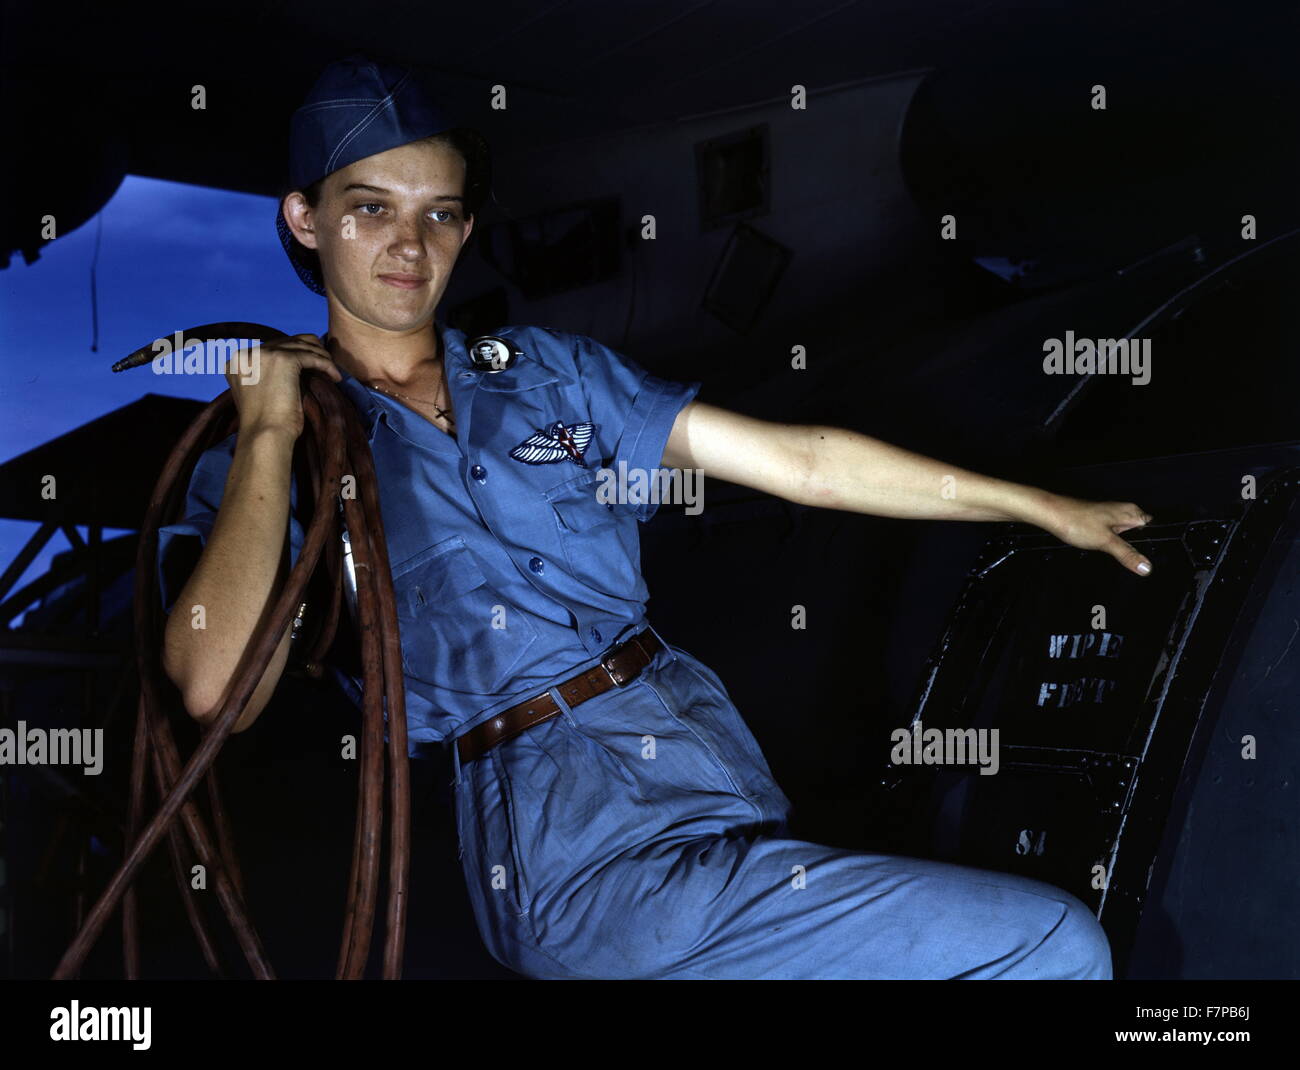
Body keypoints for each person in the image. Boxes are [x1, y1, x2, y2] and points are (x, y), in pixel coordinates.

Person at [159, 54, 1152, 979]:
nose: (410, 244)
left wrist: (1036, 504)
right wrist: (267, 432)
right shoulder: (279, 454)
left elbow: (799, 462)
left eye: (441, 212)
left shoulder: (547, 372)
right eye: (370, 208)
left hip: (696, 738)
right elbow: (219, 690)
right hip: (559, 827)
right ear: (303, 218)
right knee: (1049, 945)